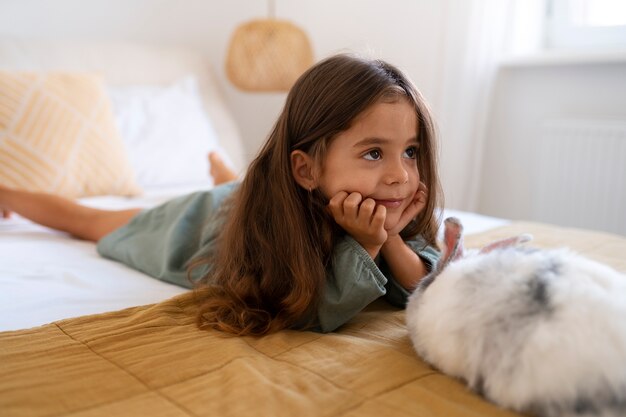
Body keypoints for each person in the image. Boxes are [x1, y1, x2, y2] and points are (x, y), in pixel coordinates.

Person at [0, 54, 443, 335]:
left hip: (246, 197)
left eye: (410, 151)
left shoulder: (386, 207)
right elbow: (311, 313)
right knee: (90, 223)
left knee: (238, 189)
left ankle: (228, 178)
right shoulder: (272, 229)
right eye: (372, 154)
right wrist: (367, 242)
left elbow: (423, 283)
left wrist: (391, 237)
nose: (400, 176)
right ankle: (9, 192)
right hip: (205, 221)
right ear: (306, 170)